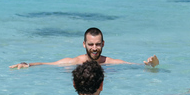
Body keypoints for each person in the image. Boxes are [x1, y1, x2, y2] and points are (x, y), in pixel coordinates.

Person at [10, 27, 158, 69]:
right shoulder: (76, 61)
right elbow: (48, 64)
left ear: (103, 44)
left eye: (98, 44)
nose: (94, 48)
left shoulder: (109, 62)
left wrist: (152, 64)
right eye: (91, 44)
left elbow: (136, 66)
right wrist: (27, 64)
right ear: (84, 45)